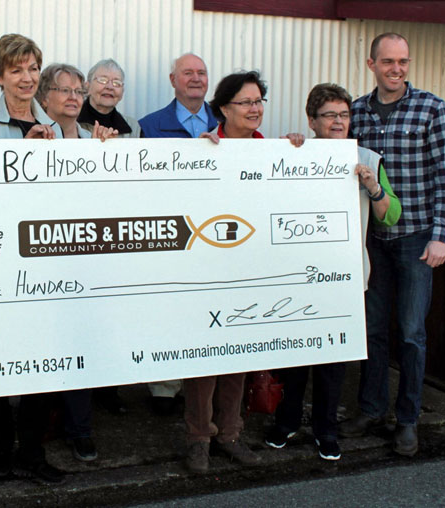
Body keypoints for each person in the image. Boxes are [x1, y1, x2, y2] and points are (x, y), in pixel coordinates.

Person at [265, 83, 401, 461]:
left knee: (332, 361)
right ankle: (287, 421)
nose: (338, 121)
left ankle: (326, 430)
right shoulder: (293, 153)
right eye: (329, 115)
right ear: (312, 120)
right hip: (296, 275)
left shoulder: (368, 159)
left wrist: (372, 187)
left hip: (344, 279)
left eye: (344, 114)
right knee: (293, 358)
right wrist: (284, 149)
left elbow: (391, 214)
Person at [339, 33, 445, 457]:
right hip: (373, 240)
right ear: (371, 64)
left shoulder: (432, 108)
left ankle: (408, 420)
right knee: (372, 330)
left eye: (403, 61)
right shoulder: (356, 111)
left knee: (410, 333)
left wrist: (441, 235)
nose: (397, 69)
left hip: (416, 239)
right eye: (388, 61)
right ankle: (370, 409)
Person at [0, 34, 65, 482]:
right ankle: (1, 451)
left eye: (32, 68)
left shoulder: (57, 126)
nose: (27, 78)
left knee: (41, 360)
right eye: (16, 70)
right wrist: (25, 154)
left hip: (42, 257)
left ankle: (32, 454)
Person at [182, 70, 271, 473]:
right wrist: (198, 158)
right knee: (203, 359)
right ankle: (199, 437)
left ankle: (231, 434)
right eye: (245, 102)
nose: (254, 110)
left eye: (258, 102)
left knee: (239, 352)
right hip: (207, 269)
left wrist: (300, 153)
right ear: (223, 109)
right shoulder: (202, 148)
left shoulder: (273, 151)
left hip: (249, 269)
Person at [32, 62, 116, 462]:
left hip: (85, 262)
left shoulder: (94, 141)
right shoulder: (33, 138)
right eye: (63, 90)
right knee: (41, 344)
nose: (72, 97)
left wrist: (109, 154)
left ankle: (80, 430)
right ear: (44, 96)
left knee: (79, 345)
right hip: (41, 260)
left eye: (78, 91)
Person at [138, 53, 218, 415]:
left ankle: (201, 386)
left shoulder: (225, 121)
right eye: (188, 73)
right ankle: (165, 388)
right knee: (166, 307)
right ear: (173, 80)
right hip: (169, 235)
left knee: (206, 308)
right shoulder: (151, 126)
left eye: (201, 73)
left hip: (215, 233)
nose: (196, 78)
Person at [78, 58, 141, 139]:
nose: (109, 87)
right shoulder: (70, 121)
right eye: (103, 80)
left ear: (122, 92)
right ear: (87, 86)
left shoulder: (133, 127)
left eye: (116, 83)